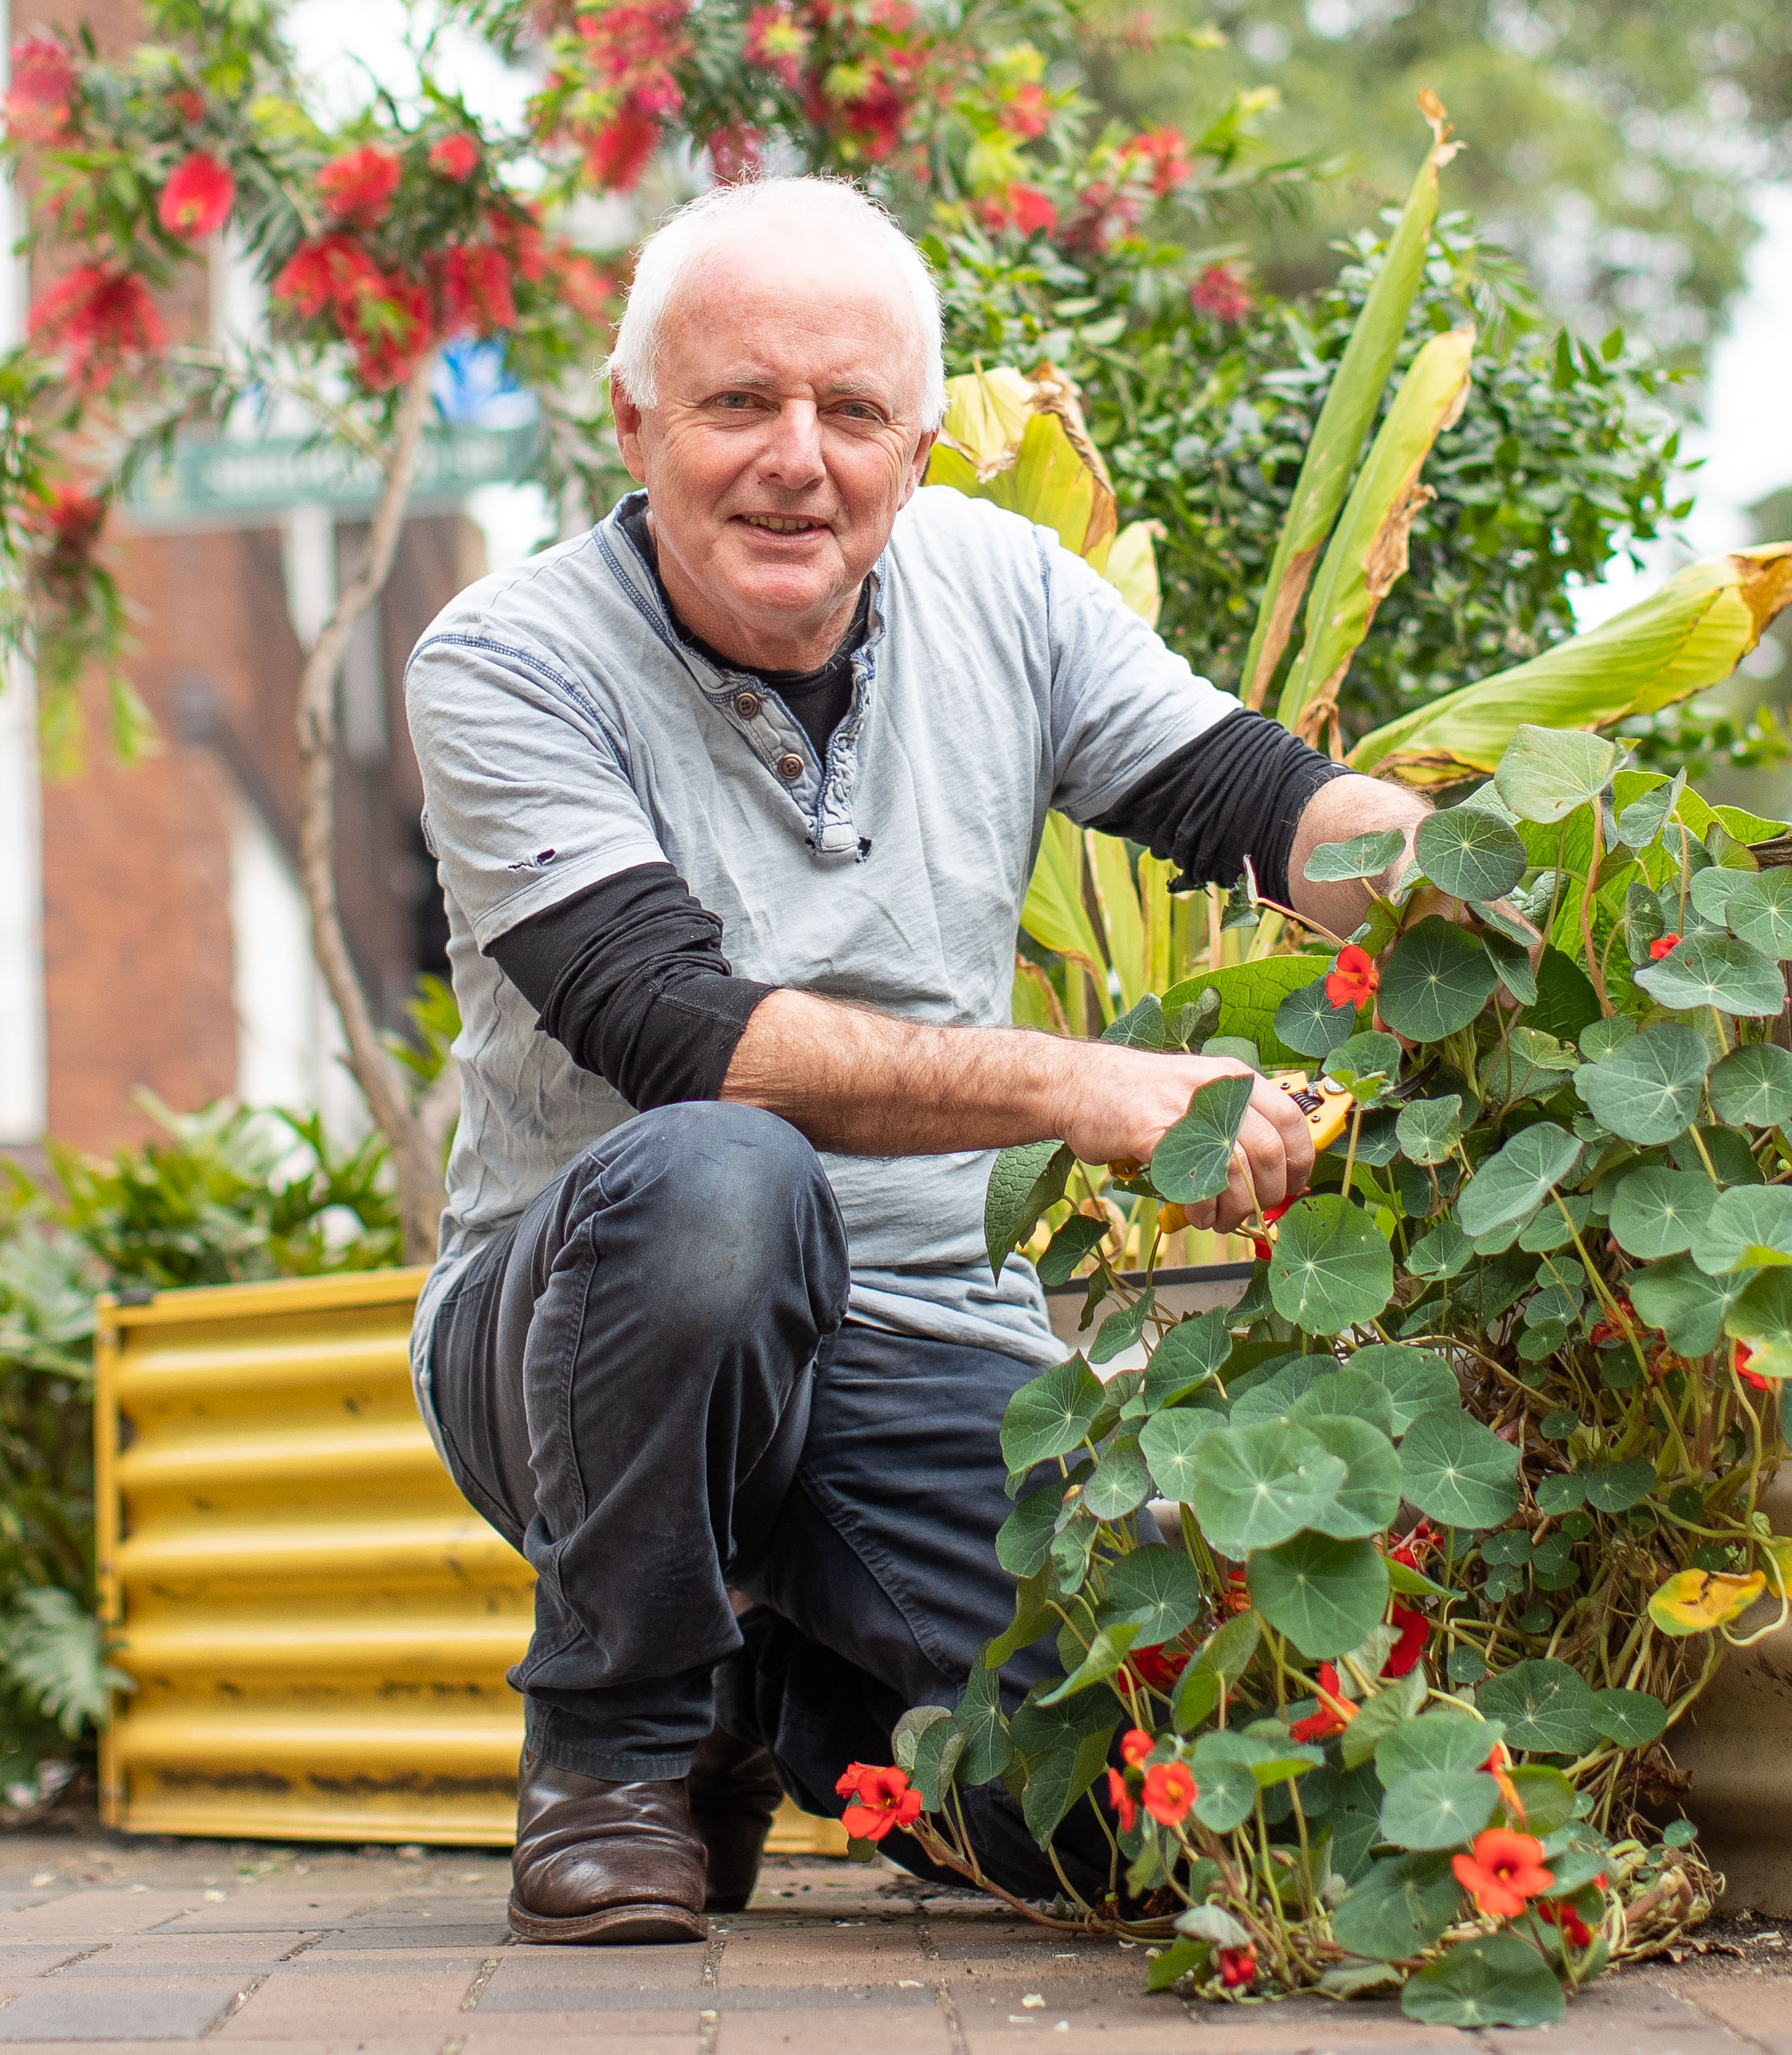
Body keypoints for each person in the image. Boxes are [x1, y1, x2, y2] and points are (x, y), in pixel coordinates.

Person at [403, 175, 1431, 1943]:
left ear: (920, 448)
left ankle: (771, 1683)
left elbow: (1261, 805)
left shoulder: (1005, 594)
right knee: (726, 1177)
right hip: (589, 1330)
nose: (796, 457)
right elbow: (684, 1036)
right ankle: (618, 1750)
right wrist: (1077, 1084)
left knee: (1132, 1820)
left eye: (851, 411)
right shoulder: (507, 662)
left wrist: (1484, 889)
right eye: (739, 404)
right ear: (636, 421)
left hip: (929, 1337)